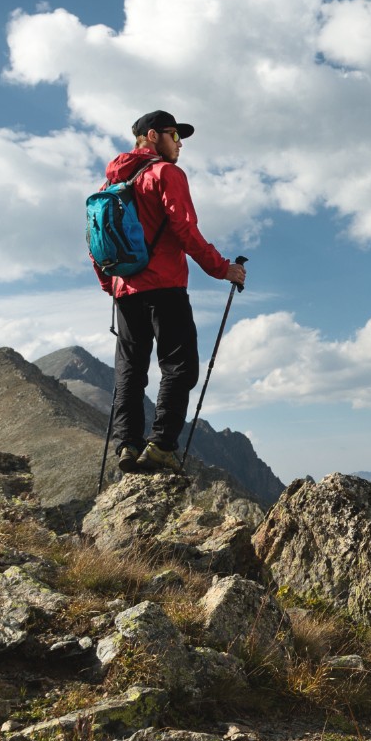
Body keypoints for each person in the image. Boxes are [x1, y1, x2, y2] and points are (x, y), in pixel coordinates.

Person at [94, 110, 248, 475]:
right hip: (165, 286)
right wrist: (221, 267)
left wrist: (111, 284)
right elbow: (184, 228)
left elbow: (95, 242)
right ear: (152, 136)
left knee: (130, 370)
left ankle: (128, 445)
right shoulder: (166, 174)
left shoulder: (108, 188)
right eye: (175, 135)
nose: (180, 144)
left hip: (125, 291)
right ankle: (161, 445)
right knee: (179, 366)